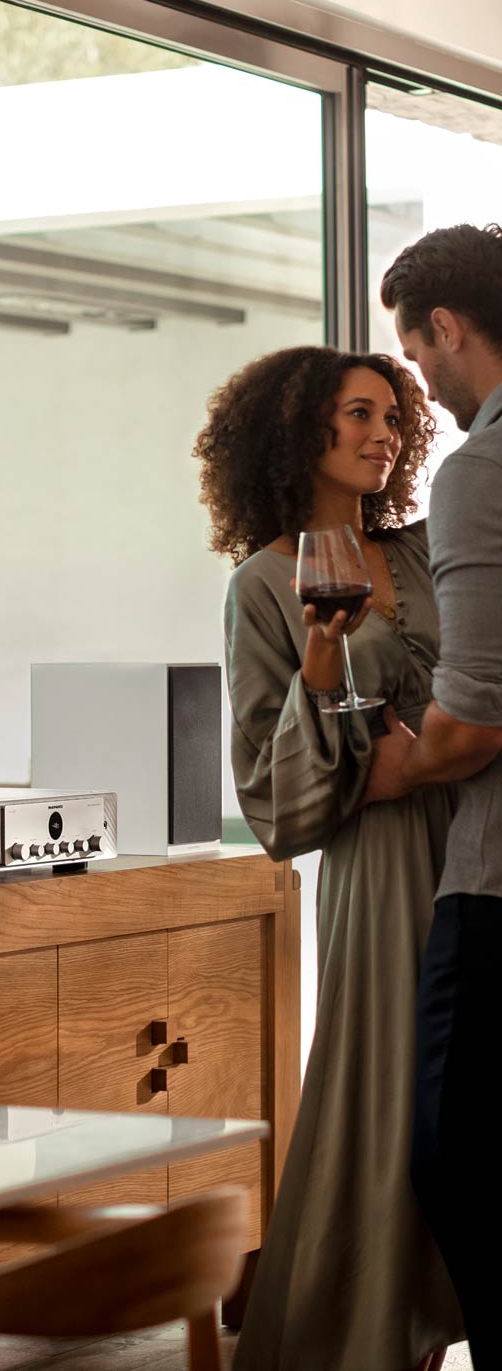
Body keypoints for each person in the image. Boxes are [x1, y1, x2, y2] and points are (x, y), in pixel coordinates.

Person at [194, 345, 460, 1371]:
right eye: (359, 413)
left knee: (467, 1088)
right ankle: (368, 1332)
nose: (383, 435)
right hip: (380, 866)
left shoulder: (426, 553)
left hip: (474, 837)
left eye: (393, 417)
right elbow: (272, 792)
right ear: (300, 426)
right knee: (388, 1083)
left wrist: (417, 754)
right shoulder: (262, 584)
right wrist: (333, 688)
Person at [366, 222, 502, 1371]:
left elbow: (472, 722)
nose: (422, 393)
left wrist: (396, 762)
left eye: (414, 361)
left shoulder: (482, 469)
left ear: (446, 327)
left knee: (458, 1162)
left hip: (497, 884)